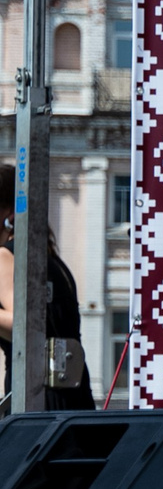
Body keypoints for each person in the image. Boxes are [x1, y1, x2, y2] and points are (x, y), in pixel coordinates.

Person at [0, 172, 99, 412]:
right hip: (73, 395)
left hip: (35, 397)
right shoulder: (53, 262)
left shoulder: (6, 257)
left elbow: (24, 326)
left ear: (8, 215)